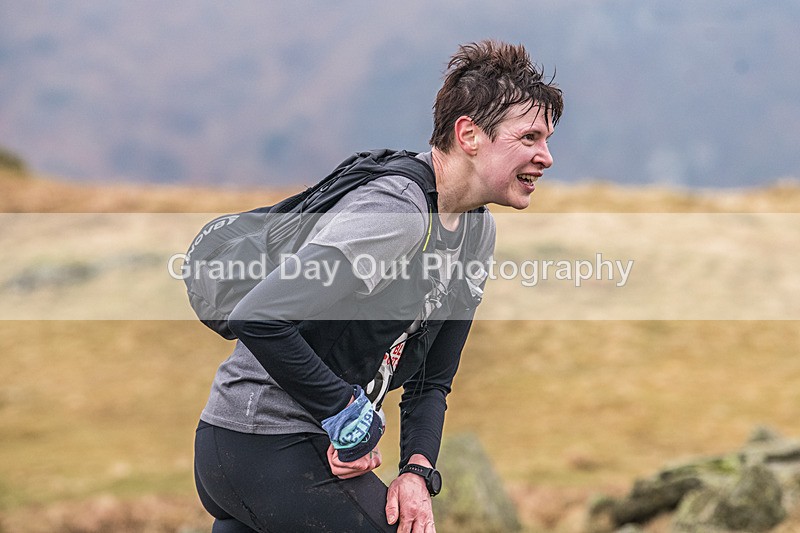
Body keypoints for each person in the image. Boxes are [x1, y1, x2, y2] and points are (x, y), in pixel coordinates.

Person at [193, 39, 563, 533]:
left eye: (548, 139)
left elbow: (432, 380)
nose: (547, 156)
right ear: (470, 134)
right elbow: (260, 318)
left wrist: (415, 470)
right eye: (530, 138)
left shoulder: (476, 233)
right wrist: (344, 413)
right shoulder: (397, 212)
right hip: (259, 439)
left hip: (288, 452)